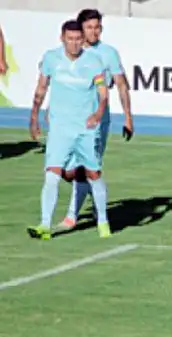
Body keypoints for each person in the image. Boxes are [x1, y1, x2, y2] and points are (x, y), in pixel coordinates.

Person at [27, 20, 108, 241]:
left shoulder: (94, 61)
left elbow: (103, 92)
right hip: (59, 128)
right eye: (69, 39)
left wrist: (98, 113)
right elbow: (41, 89)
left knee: (93, 174)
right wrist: (34, 117)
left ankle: (103, 221)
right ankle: (45, 225)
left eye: (77, 39)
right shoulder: (51, 59)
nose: (73, 44)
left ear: (83, 40)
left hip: (85, 128)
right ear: (62, 38)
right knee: (52, 173)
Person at [58, 8, 135, 235]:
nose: (94, 31)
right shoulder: (69, 54)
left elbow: (121, 84)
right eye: (89, 27)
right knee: (65, 169)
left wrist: (128, 116)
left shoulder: (108, 53)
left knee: (84, 167)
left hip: (96, 121)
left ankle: (71, 217)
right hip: (70, 120)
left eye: (97, 27)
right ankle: (96, 193)